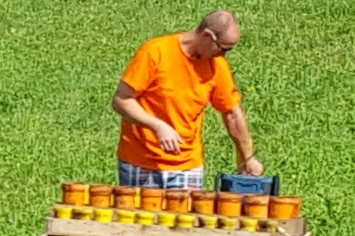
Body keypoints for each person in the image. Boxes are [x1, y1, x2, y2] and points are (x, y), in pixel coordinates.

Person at [112, 10, 264, 193]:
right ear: (208, 36)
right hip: (140, 162)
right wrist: (158, 126)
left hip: (187, 166)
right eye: (224, 49)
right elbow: (122, 100)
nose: (224, 56)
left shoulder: (216, 66)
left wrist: (248, 158)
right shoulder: (156, 53)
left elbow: (232, 112)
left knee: (185, 222)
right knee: (140, 221)